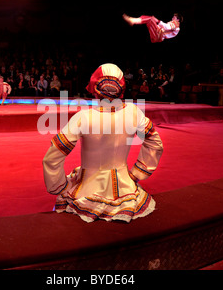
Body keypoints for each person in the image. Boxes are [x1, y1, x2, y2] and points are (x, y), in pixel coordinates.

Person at [42, 63, 163, 223]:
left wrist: (59, 186)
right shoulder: (134, 112)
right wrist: (136, 173)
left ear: (95, 88)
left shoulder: (83, 117)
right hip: (125, 186)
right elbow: (155, 143)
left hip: (88, 189)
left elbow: (52, 156)